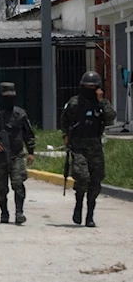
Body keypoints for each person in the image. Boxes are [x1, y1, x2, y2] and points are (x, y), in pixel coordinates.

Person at [61, 71, 116, 227]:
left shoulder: (101, 103)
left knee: (95, 180)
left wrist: (102, 101)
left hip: (95, 146)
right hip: (78, 145)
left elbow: (111, 117)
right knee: (82, 176)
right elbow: (64, 120)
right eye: (87, 86)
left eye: (93, 86)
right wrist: (65, 135)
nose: (90, 89)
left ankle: (90, 215)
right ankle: (78, 204)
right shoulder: (74, 103)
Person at [0, 82, 36, 225]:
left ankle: (19, 212)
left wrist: (31, 152)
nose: (9, 99)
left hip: (17, 154)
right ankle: (4, 212)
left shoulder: (20, 114)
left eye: (11, 96)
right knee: (1, 187)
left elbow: (28, 133)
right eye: (6, 97)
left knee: (18, 183)